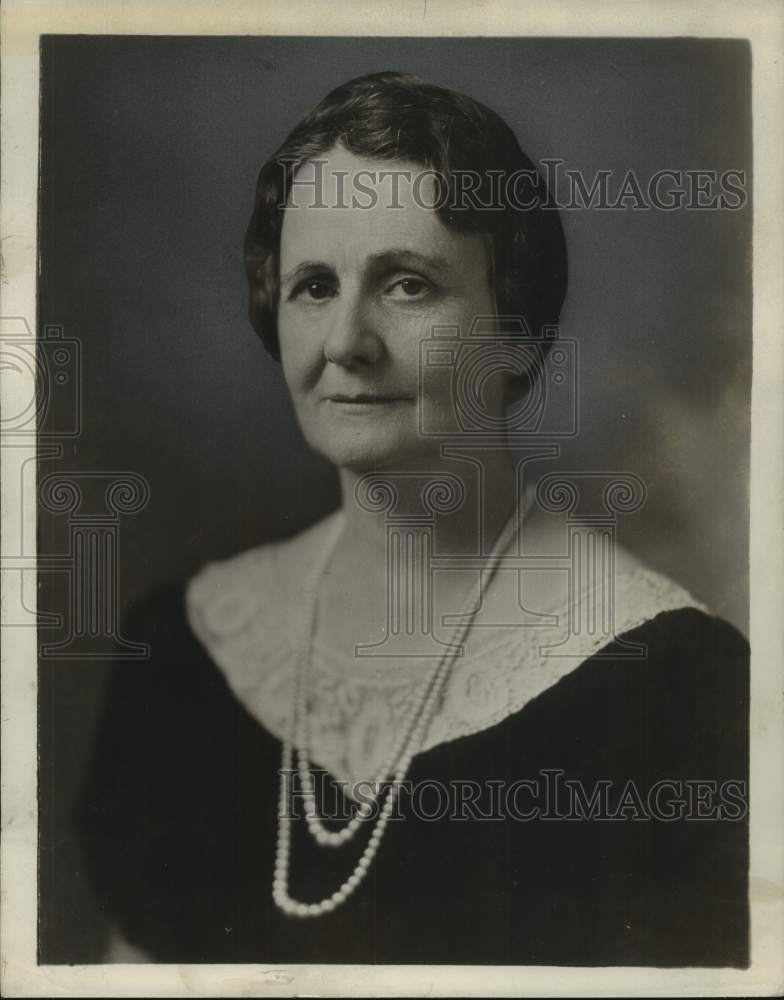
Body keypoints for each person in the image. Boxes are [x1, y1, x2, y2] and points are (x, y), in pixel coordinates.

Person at [77, 71, 749, 966]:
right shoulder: (179, 657)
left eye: (406, 285)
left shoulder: (675, 689)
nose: (348, 341)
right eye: (314, 285)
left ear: (517, 330)